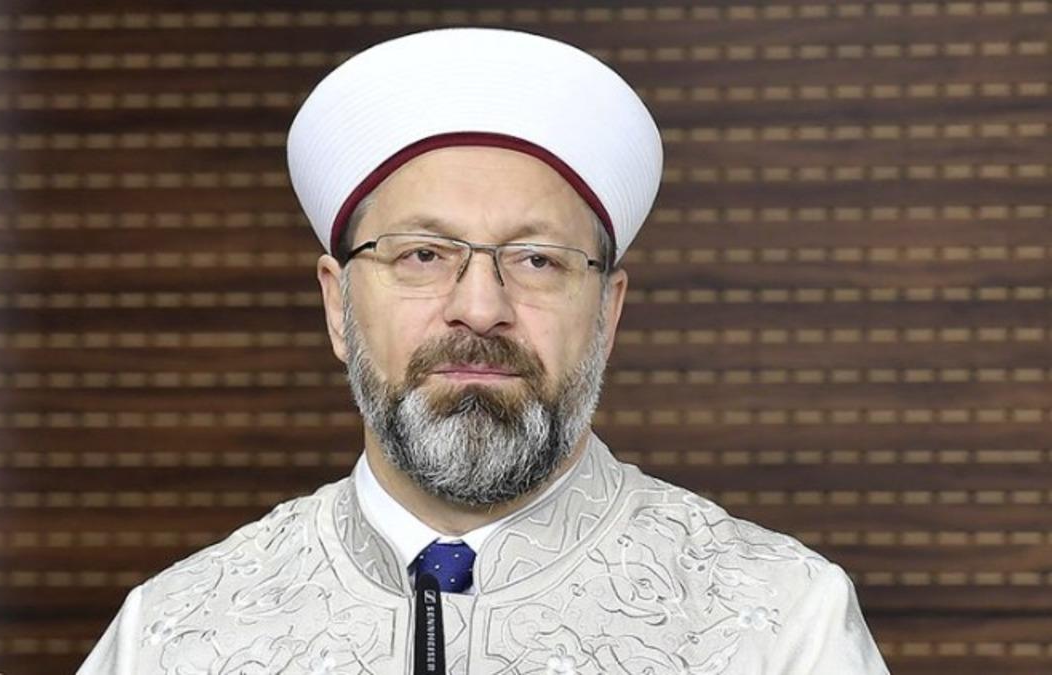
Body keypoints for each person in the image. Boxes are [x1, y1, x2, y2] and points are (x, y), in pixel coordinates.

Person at [77, 27, 889, 674]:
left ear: (607, 312)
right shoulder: (174, 633)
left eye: (536, 260)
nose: (479, 307)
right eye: (422, 254)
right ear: (337, 304)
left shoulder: (781, 623)